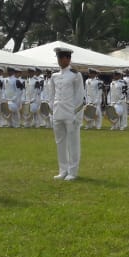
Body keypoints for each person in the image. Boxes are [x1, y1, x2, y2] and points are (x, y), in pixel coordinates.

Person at [46, 46, 84, 180]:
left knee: (73, 143)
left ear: (68, 58)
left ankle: (73, 171)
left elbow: (80, 96)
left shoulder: (75, 74)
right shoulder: (54, 76)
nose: (61, 60)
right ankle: (63, 170)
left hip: (70, 113)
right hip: (57, 113)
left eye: (63, 57)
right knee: (60, 142)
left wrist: (77, 114)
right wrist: (51, 113)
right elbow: (51, 95)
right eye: (59, 58)